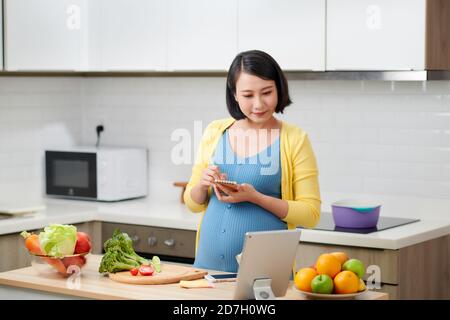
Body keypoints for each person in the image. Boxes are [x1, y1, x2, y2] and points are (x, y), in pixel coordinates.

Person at [183, 50, 321, 273]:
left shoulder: (295, 139)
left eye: (266, 92)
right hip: (205, 272)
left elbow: (311, 213)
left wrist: (255, 198)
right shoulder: (215, 131)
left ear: (279, 89)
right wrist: (202, 184)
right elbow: (192, 202)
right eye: (247, 95)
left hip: (265, 278)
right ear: (235, 95)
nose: (258, 104)